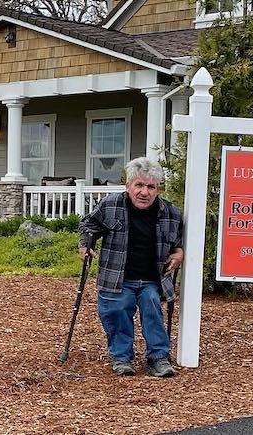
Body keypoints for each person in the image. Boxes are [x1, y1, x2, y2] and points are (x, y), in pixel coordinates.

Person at [78, 157, 184, 377]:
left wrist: (179, 252)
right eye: (139, 185)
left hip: (152, 279)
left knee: (152, 309)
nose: (144, 192)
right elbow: (88, 225)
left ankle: (158, 358)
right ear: (128, 186)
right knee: (117, 311)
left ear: (158, 189)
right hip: (117, 277)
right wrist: (85, 244)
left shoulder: (171, 213)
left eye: (150, 187)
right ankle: (122, 357)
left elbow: (177, 243)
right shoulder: (110, 205)